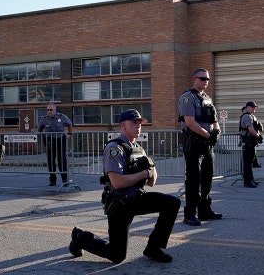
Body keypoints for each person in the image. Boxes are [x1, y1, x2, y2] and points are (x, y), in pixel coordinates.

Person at [68, 109, 180, 263]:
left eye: (140, 123)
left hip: (137, 197)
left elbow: (151, 182)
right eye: (134, 123)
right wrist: (142, 174)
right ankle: (81, 237)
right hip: (120, 204)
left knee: (172, 203)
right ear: (123, 126)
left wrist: (151, 166)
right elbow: (117, 182)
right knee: (117, 255)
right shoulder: (115, 148)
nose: (138, 126)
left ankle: (153, 248)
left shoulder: (139, 150)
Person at [178, 68, 222, 226]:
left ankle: (205, 210)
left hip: (207, 145)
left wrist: (217, 132)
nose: (205, 81)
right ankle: (189, 214)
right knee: (193, 180)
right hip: (194, 144)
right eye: (202, 78)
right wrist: (208, 135)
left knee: (207, 179)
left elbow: (214, 119)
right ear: (194, 79)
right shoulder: (188, 98)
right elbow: (190, 122)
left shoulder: (208, 99)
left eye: (207, 79)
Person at [37, 102, 73, 186]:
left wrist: (70, 134)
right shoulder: (44, 119)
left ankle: (65, 180)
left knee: (62, 160)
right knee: (51, 160)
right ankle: (52, 180)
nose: (49, 111)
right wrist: (44, 137)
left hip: (60, 140)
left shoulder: (62, 117)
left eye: (51, 110)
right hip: (50, 141)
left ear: (55, 110)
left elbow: (69, 124)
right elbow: (39, 129)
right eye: (47, 110)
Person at [240, 101, 263, 188]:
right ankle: (247, 181)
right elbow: (250, 129)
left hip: (250, 142)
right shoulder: (247, 116)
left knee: (250, 162)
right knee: (247, 163)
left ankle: (251, 179)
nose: (254, 109)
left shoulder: (250, 116)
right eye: (253, 107)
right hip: (247, 142)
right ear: (248, 107)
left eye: (255, 107)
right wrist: (258, 136)